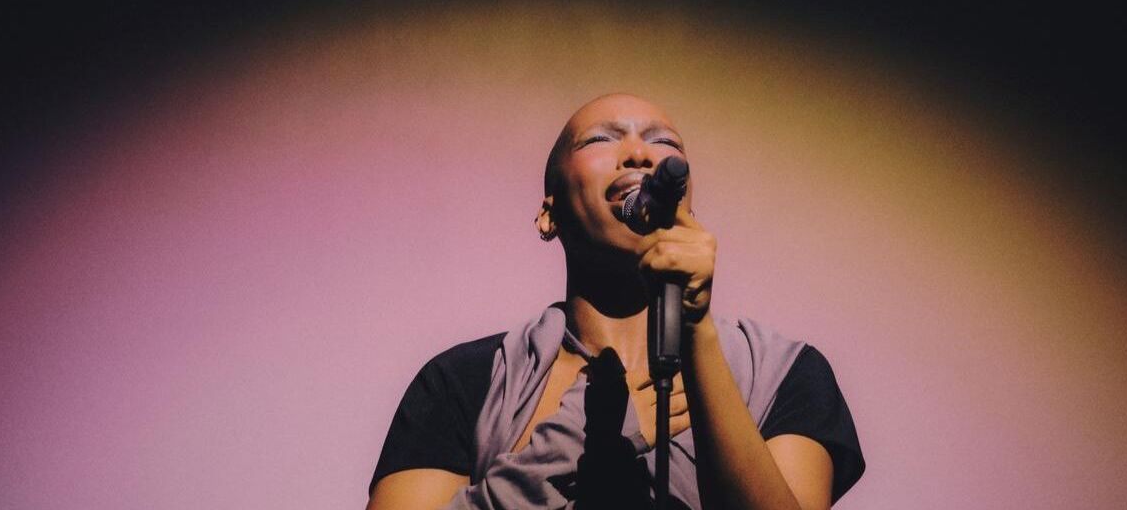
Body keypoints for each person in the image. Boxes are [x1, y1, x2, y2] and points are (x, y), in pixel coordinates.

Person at [367, 94, 864, 509]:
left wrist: (696, 330)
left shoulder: (783, 372)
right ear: (549, 213)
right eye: (601, 139)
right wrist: (578, 440)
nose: (640, 155)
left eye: (663, 142)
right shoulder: (462, 382)